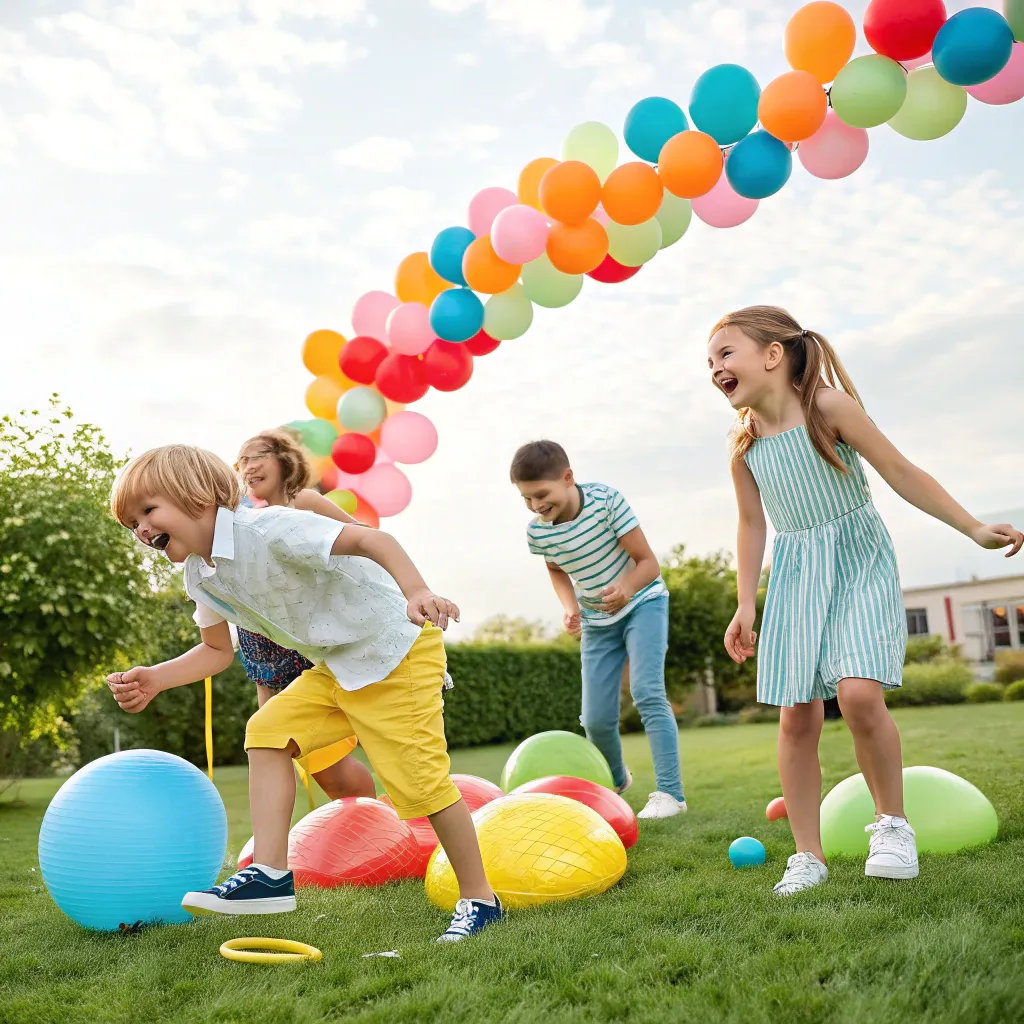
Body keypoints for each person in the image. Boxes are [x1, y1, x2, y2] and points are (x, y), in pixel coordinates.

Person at [107, 444, 501, 941]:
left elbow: (375, 541)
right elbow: (215, 651)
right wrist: (158, 677)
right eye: (131, 524)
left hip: (394, 650)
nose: (141, 529)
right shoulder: (200, 577)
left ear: (199, 495)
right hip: (336, 664)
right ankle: (270, 875)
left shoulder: (270, 529)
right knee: (267, 730)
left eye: (147, 510)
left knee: (422, 785)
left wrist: (417, 592)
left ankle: (480, 900)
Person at [709, 305, 1022, 896]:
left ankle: (893, 825)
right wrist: (745, 604)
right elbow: (752, 527)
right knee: (796, 716)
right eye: (710, 361)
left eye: (726, 353)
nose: (715, 368)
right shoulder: (744, 447)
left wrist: (974, 529)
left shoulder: (827, 407)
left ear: (773, 355)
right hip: (797, 574)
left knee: (856, 693)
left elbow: (900, 471)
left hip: (857, 561)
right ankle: (807, 855)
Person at [510, 440, 686, 820]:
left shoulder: (606, 501)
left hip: (643, 603)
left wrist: (625, 589)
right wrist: (570, 607)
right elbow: (557, 571)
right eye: (526, 499)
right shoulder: (538, 532)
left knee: (647, 691)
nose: (536, 505)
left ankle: (671, 794)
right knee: (595, 719)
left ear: (568, 478)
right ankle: (617, 782)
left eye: (542, 494)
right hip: (597, 622)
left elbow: (648, 564)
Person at [234, 427, 375, 800]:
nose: (248, 467)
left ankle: (372, 814)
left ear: (284, 459)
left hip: (310, 644)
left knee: (332, 761)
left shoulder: (305, 502)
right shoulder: (241, 519)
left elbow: (362, 537)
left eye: (257, 456)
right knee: (277, 746)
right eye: (243, 460)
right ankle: (325, 830)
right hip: (263, 653)